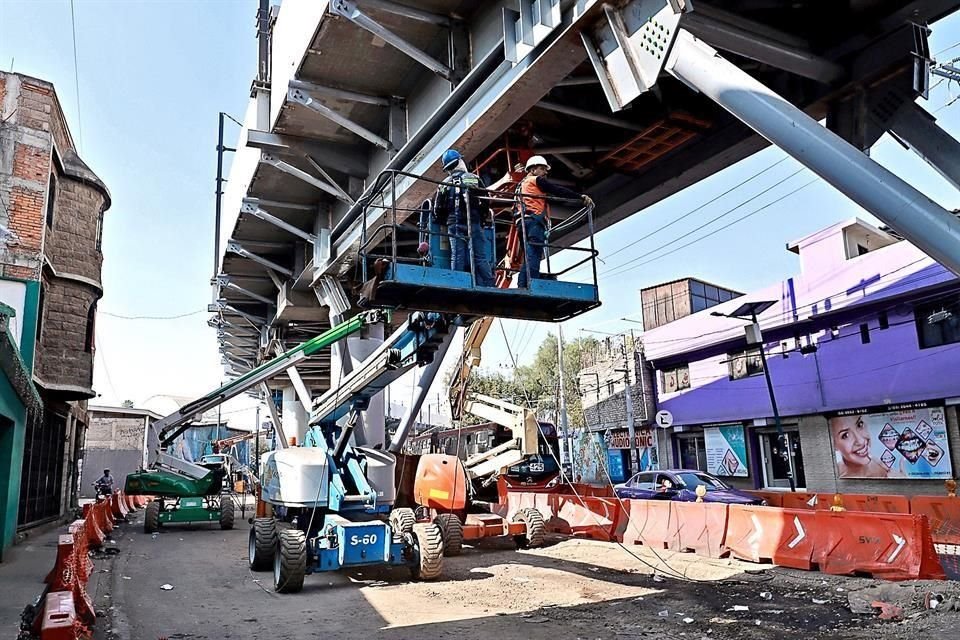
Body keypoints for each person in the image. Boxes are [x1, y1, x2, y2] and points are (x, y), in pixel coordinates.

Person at [516, 156, 594, 288]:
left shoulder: (522, 185)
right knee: (534, 255)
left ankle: (522, 285)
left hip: (522, 223)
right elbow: (557, 190)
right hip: (534, 222)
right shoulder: (536, 180)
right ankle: (531, 285)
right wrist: (580, 197)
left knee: (529, 256)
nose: (545, 172)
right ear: (533, 169)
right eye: (542, 169)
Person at [432, 149, 495, 287]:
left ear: (448, 168)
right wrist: (482, 219)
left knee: (457, 256)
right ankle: (490, 284)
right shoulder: (473, 178)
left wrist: (445, 220)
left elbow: (437, 209)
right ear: (459, 161)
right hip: (473, 222)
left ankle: (457, 284)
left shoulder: (444, 184)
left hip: (454, 224)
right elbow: (485, 201)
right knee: (480, 257)